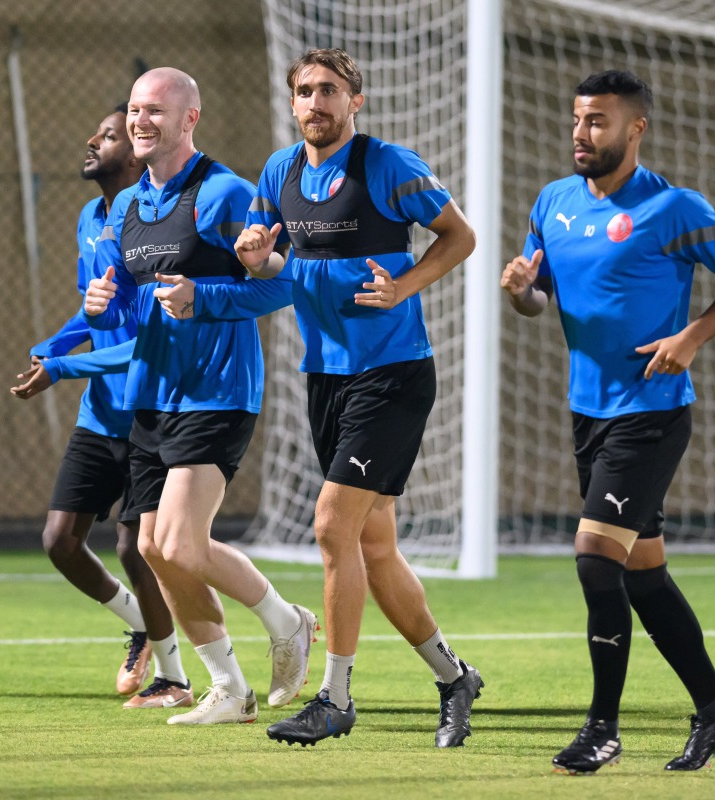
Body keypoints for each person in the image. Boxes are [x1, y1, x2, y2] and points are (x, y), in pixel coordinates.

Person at [501, 70, 715, 774]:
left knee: (596, 560)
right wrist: (523, 292)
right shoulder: (553, 202)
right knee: (644, 577)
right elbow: (539, 298)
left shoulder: (673, 207)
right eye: (577, 119)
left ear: (635, 128)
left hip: (650, 414)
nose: (581, 133)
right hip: (587, 413)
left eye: (597, 121)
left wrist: (692, 336)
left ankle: (602, 729)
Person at [235, 48, 484, 748]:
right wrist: (256, 258)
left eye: (330, 90)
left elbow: (460, 236)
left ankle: (335, 698)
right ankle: (454, 677)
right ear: (292, 103)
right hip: (326, 377)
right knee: (374, 548)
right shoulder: (279, 172)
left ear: (355, 102)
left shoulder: (388, 165)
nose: (315, 102)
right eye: (305, 91)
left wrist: (404, 287)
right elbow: (279, 263)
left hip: (393, 373)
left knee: (329, 525)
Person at [82, 67, 317, 726]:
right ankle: (230, 690)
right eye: (135, 109)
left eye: (155, 110)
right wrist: (103, 304)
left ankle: (287, 622)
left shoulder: (225, 193)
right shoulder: (127, 206)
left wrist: (203, 296)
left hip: (217, 390)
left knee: (182, 545)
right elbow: (130, 300)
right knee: (152, 550)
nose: (140, 121)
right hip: (152, 393)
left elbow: (285, 283)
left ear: (191, 118)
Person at [10, 105, 192, 709]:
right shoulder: (91, 217)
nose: (93, 140)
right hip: (100, 411)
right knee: (60, 541)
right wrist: (53, 348)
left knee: (139, 548)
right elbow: (95, 312)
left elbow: (144, 342)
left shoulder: (156, 224)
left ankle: (179, 673)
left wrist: (62, 368)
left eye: (109, 136)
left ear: (138, 155)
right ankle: (142, 622)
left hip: (150, 412)